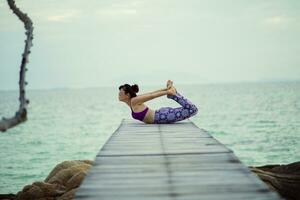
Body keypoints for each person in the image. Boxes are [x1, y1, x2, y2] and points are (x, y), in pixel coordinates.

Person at [118, 80, 198, 124]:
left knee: (193, 110)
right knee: (192, 110)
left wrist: (167, 92)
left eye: (120, 92)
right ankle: (173, 94)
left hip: (162, 116)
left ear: (127, 95)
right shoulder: (134, 100)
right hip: (162, 116)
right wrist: (166, 90)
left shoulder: (134, 101)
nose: (118, 94)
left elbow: (152, 95)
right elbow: (151, 93)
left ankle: (173, 94)